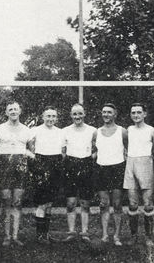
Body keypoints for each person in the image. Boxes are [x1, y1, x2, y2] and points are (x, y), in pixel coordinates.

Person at [0, 100, 34, 247]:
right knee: (6, 201)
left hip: (20, 169)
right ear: (6, 112)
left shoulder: (26, 130)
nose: (13, 111)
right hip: (4, 168)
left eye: (15, 109)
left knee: (17, 202)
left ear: (20, 111)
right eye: (10, 109)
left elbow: (31, 150)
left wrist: (24, 156)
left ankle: (16, 236)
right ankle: (6, 235)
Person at [93, 103, 128, 246]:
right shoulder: (96, 132)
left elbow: (127, 149)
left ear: (115, 114)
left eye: (109, 112)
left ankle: (117, 236)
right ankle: (105, 235)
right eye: (104, 112)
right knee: (104, 204)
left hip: (118, 168)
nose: (106, 114)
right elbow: (94, 151)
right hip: (102, 169)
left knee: (117, 204)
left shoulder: (123, 131)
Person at [124, 103, 154, 246]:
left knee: (148, 203)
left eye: (139, 112)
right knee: (132, 203)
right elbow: (125, 146)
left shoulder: (152, 130)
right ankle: (134, 236)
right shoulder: (128, 130)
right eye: (133, 113)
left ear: (145, 114)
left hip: (146, 163)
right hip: (131, 164)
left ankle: (149, 237)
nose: (136, 115)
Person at [62, 104, 96, 243]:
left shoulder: (93, 130)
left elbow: (98, 148)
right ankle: (71, 232)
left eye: (80, 113)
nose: (77, 117)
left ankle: (84, 232)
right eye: (74, 114)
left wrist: (89, 159)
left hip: (86, 165)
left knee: (85, 202)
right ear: (71, 115)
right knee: (70, 202)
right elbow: (62, 151)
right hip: (70, 166)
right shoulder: (65, 131)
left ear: (84, 114)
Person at [30, 106, 64, 244]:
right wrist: (37, 167)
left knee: (50, 203)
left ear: (56, 118)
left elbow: (62, 151)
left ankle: (46, 233)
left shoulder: (61, 132)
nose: (50, 119)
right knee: (42, 203)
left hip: (55, 164)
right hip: (40, 165)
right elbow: (29, 149)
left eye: (53, 116)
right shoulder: (35, 131)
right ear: (43, 117)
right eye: (48, 116)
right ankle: (40, 235)